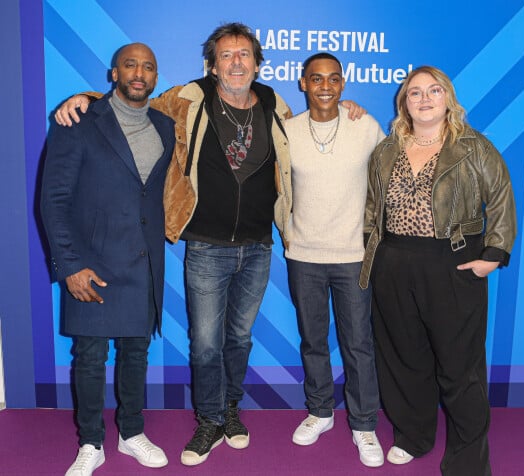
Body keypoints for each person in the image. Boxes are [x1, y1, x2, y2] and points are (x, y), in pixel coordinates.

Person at [55, 23, 365, 467]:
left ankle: (229, 412)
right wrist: (84, 97)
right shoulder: (187, 98)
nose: (236, 62)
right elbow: (128, 100)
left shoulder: (276, 105)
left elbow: (316, 132)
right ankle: (208, 420)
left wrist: (347, 107)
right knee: (204, 343)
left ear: (258, 63)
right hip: (205, 246)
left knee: (238, 339)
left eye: (244, 54)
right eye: (226, 55)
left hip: (258, 246)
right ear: (212, 63)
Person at [359, 65, 517, 475]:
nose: (425, 99)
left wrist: (494, 254)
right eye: (415, 93)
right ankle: (414, 436)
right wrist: (371, 253)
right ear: (404, 103)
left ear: (448, 98)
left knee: (459, 366)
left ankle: (468, 456)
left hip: (453, 263)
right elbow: (373, 210)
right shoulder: (386, 149)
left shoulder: (473, 146)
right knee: (403, 358)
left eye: (434, 90)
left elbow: (500, 197)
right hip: (394, 264)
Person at [41, 43, 175, 476]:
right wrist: (69, 265)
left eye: (148, 67)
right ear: (112, 73)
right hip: (92, 265)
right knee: (90, 357)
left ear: (156, 77)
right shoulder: (77, 121)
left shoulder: (166, 126)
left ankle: (132, 432)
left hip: (143, 264)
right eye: (130, 65)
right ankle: (91, 442)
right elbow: (53, 199)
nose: (139, 73)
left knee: (137, 355)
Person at [284, 53, 385, 468]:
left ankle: (364, 424)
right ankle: (320, 412)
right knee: (313, 341)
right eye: (316, 78)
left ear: (343, 85)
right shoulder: (286, 131)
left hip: (353, 257)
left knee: (359, 344)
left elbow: (389, 177)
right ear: (303, 83)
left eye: (333, 79)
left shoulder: (365, 125)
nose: (325, 86)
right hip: (303, 254)